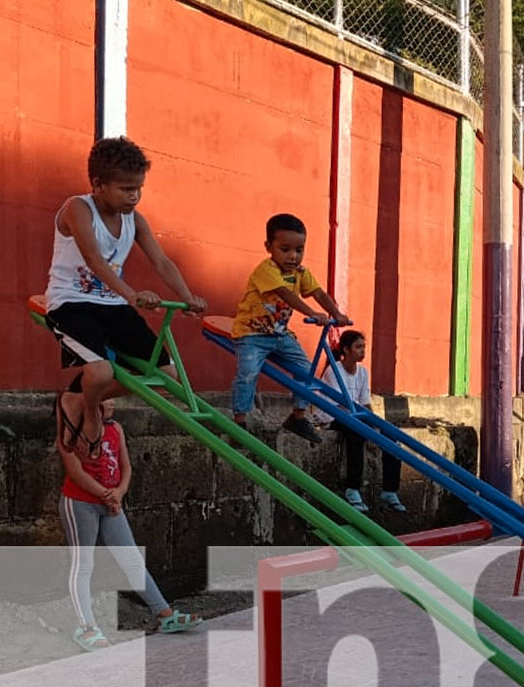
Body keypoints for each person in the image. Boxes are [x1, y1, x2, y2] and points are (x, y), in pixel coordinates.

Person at [46, 137, 208, 458]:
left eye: (138, 188)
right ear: (98, 185)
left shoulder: (135, 219)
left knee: (166, 374)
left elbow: (161, 261)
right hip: (72, 304)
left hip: (113, 307)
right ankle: (92, 409)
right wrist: (132, 295)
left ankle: (76, 398)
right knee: (101, 371)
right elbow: (94, 258)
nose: (134, 196)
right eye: (125, 189)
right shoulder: (78, 208)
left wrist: (188, 297)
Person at [59, 399, 202, 650]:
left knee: (132, 559)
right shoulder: (71, 432)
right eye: (105, 397)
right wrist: (107, 495)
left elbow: (126, 466)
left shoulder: (116, 428)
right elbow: (75, 472)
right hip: (81, 503)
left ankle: (165, 615)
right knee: (83, 563)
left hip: (112, 502)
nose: (113, 402)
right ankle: (86, 627)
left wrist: (120, 492)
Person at [229, 213, 352, 438]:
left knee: (305, 368)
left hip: (279, 334)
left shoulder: (300, 272)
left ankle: (297, 416)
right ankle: (239, 419)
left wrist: (336, 313)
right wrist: (313, 313)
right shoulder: (266, 270)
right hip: (251, 333)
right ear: (269, 247)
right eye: (285, 249)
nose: (293, 256)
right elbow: (285, 295)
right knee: (248, 372)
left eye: (299, 250)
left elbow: (318, 292)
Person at [311, 329, 405, 514]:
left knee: (391, 432)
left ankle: (389, 490)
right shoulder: (334, 370)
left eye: (364, 347)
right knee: (356, 433)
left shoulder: (362, 372)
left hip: (355, 415)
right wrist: (366, 429)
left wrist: (375, 425)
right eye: (358, 347)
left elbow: (365, 403)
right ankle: (352, 489)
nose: (363, 351)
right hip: (332, 416)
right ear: (345, 350)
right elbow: (340, 406)